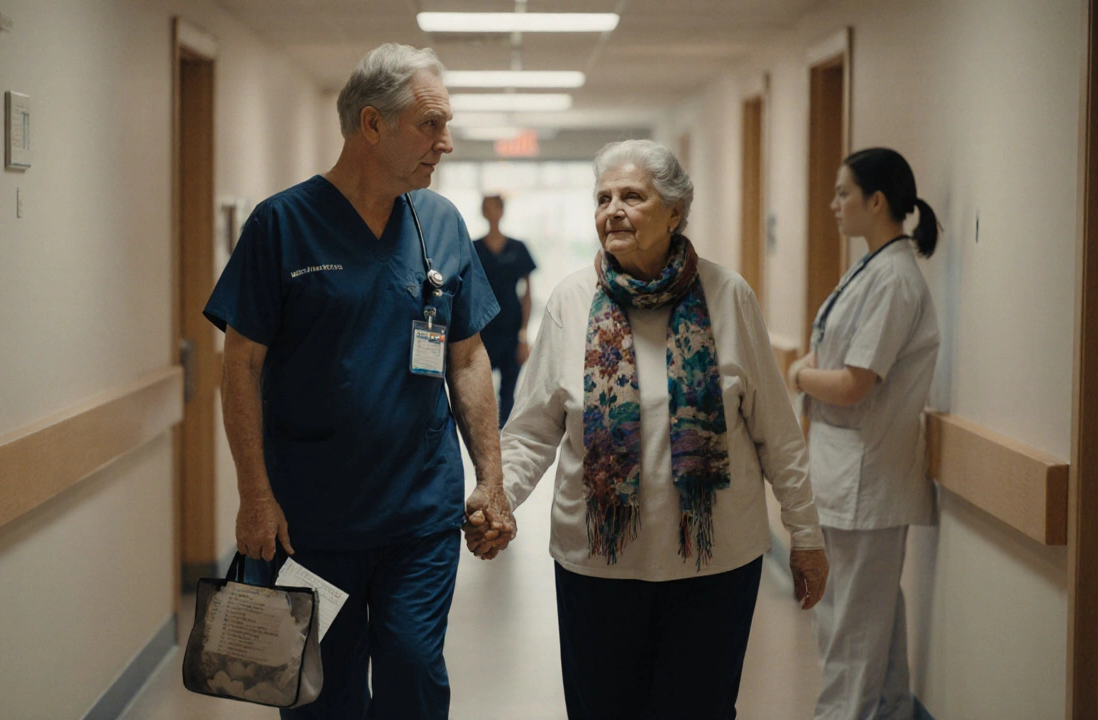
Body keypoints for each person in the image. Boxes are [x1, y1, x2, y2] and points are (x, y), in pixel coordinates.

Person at [465, 139, 829, 720]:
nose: (613, 210)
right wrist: (496, 497)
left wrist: (805, 535)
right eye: (603, 198)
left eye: (632, 196)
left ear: (675, 211)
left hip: (715, 566)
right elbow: (532, 431)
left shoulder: (728, 296)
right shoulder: (571, 301)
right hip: (597, 566)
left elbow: (777, 435)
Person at [204, 43, 516, 719]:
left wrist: (490, 480)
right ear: (372, 124)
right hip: (310, 519)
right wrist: (254, 495)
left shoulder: (441, 223)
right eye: (430, 125)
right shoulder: (281, 225)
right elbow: (241, 364)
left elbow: (466, 358)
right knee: (320, 694)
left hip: (421, 513)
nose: (445, 143)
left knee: (413, 669)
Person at [786, 147, 940, 720]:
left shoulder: (894, 280)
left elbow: (854, 384)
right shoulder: (871, 269)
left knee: (849, 632)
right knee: (874, 623)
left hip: (866, 480)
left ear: (876, 202)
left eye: (842, 193)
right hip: (847, 474)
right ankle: (892, 711)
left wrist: (797, 375)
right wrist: (808, 370)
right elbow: (835, 352)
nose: (834, 204)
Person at [472, 194, 537, 427]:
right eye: (487, 208)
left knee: (508, 394)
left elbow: (527, 294)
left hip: (510, 329)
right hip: (483, 330)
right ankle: (484, 439)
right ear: (482, 212)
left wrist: (523, 335)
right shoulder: (474, 249)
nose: (492, 213)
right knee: (479, 392)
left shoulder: (518, 248)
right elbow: (467, 292)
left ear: (502, 211)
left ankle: (505, 443)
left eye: (495, 208)